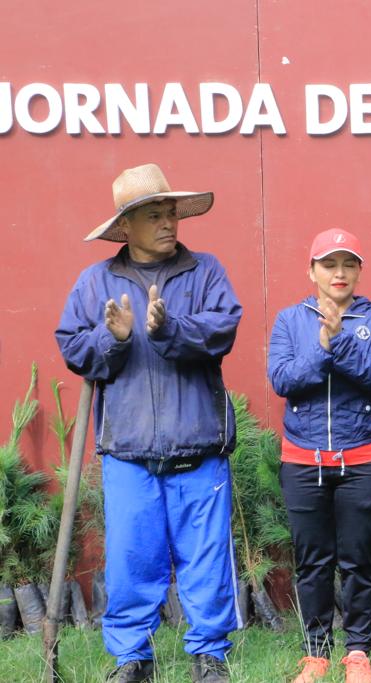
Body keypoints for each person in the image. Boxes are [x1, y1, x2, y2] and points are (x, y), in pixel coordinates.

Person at [55, 163, 243, 683]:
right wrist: (113, 339)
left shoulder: (206, 271)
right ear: (126, 226)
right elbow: (74, 346)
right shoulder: (96, 283)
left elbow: (221, 329)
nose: (169, 223)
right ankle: (133, 657)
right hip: (128, 450)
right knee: (131, 561)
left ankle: (209, 654)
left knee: (205, 562)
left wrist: (167, 328)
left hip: (199, 446)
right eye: (154, 215)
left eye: (171, 213)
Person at [267, 228, 371, 683]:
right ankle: (315, 653)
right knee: (313, 560)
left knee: (359, 558)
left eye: (348, 264)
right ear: (312, 271)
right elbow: (282, 380)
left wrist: (339, 339)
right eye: (329, 264)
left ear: (359, 270)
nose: (339, 273)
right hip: (303, 460)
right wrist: (324, 344)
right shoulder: (289, 320)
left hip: (362, 460)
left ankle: (358, 652)